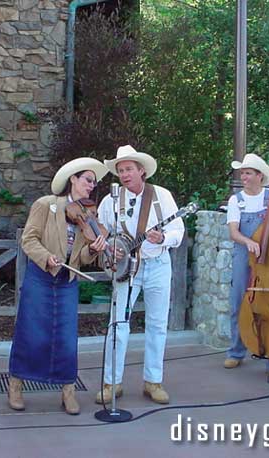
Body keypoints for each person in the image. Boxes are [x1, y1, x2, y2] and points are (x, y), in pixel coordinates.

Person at [8, 157, 108, 415]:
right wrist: (46, 257)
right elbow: (28, 240)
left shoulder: (89, 215)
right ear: (73, 179)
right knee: (30, 331)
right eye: (87, 179)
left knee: (66, 337)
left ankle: (68, 391)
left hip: (67, 280)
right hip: (41, 277)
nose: (91, 186)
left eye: (94, 183)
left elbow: (82, 259)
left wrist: (93, 251)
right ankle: (16, 384)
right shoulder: (46, 205)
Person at [95, 145, 185, 405]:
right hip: (127, 269)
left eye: (129, 169)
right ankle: (112, 383)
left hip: (158, 263)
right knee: (118, 324)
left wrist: (164, 237)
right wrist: (113, 248)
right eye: (121, 170)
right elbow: (101, 229)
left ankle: (153, 381)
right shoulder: (111, 200)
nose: (124, 174)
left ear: (141, 170)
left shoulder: (162, 196)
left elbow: (178, 230)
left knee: (157, 324)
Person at [224, 153, 269, 379]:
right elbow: (234, 232)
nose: (243, 176)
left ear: (259, 175)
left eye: (247, 173)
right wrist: (249, 242)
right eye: (242, 173)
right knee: (239, 302)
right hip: (244, 256)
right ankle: (236, 351)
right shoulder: (236, 200)